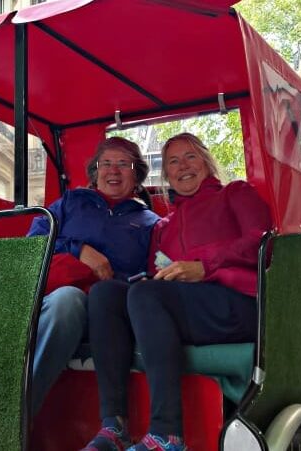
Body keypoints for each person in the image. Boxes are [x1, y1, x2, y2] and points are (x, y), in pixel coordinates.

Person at [82, 132, 272, 451]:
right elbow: (157, 273)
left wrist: (204, 265)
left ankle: (167, 435)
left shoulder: (235, 193)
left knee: (147, 295)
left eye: (190, 156)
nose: (182, 165)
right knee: (107, 294)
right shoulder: (162, 227)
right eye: (173, 161)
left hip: (237, 304)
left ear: (206, 162)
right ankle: (114, 425)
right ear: (166, 174)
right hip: (185, 310)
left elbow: (262, 243)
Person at [27, 137, 160, 417]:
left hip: (110, 312)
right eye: (106, 163)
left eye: (123, 164)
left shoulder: (151, 222)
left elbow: (154, 274)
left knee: (72, 300)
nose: (113, 170)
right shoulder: (70, 202)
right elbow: (32, 242)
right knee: (66, 300)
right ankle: (16, 417)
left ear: (136, 174)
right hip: (54, 300)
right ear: (95, 171)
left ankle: (14, 420)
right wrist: (79, 250)